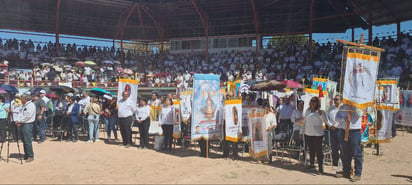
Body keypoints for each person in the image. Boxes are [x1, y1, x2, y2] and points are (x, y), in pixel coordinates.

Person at [335, 104, 364, 182]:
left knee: (356, 153)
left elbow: (360, 114)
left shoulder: (358, 106)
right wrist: (344, 119)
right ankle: (346, 171)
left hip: (354, 131)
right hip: (344, 130)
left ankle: (357, 173)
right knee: (345, 152)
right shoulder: (342, 106)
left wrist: (354, 106)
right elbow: (336, 118)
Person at [300, 96, 327, 174]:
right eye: (312, 100)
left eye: (315, 101)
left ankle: (320, 168)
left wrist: (320, 115)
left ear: (317, 103)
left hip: (318, 134)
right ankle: (312, 164)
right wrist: (301, 132)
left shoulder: (321, 111)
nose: (313, 102)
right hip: (308, 133)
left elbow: (325, 121)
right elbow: (304, 122)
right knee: (311, 150)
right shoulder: (307, 111)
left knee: (318, 151)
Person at [15, 94, 36, 162]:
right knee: (23, 140)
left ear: (25, 99)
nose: (21, 100)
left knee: (27, 140)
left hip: (27, 124)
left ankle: (30, 155)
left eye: (22, 98)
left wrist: (20, 121)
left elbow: (28, 116)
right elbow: (20, 114)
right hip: (22, 124)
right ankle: (26, 154)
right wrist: (18, 121)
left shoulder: (31, 105)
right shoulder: (23, 105)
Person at [327, 95, 344, 167]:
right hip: (332, 129)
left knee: (341, 146)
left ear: (341, 100)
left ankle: (342, 161)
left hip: (340, 129)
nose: (335, 101)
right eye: (334, 99)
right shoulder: (330, 108)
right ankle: (335, 161)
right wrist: (330, 125)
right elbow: (327, 118)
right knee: (333, 146)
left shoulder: (343, 109)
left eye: (337, 99)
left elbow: (343, 119)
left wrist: (336, 125)